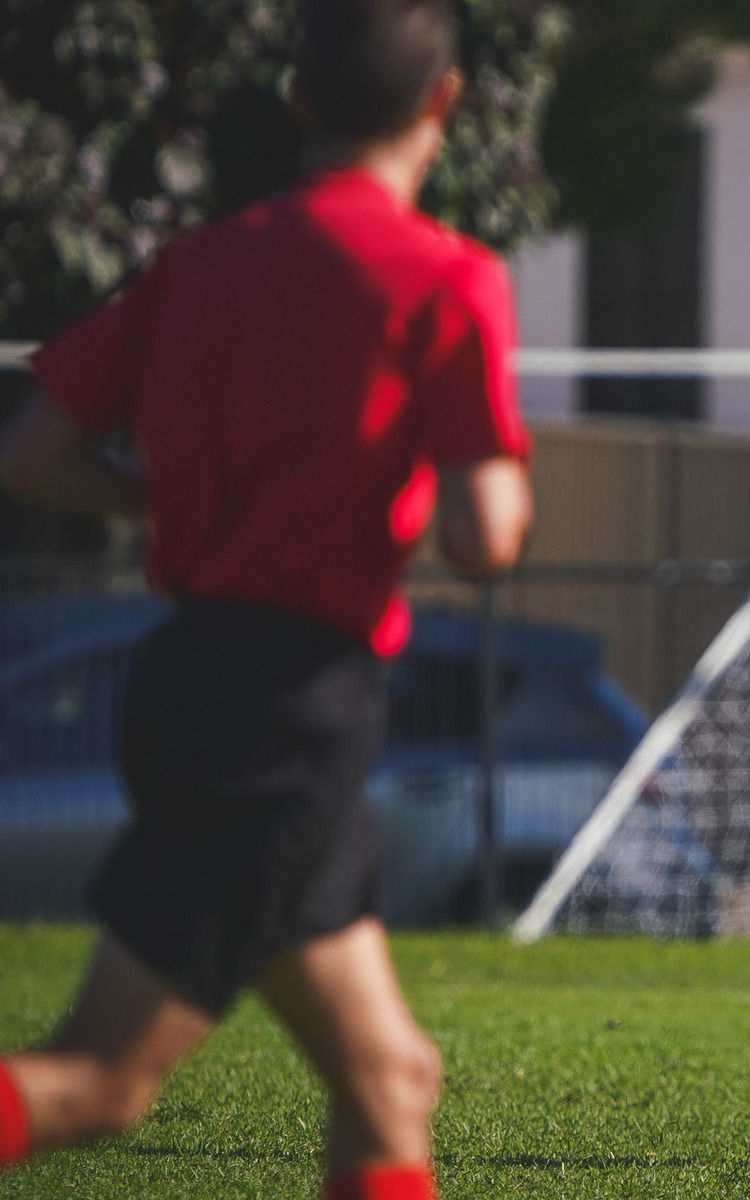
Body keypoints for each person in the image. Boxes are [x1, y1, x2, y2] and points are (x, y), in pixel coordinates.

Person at [0, 1, 532, 1196]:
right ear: (442, 106)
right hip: (290, 710)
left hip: (192, 669)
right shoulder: (445, 276)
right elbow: (485, 533)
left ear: (298, 101)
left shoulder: (198, 261)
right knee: (100, 1084)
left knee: (390, 1079)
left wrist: (175, 507)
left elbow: (33, 452)